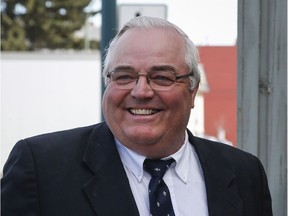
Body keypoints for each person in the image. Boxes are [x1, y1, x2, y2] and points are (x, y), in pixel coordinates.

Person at [1, 16, 273, 216]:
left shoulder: (244, 173)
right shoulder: (41, 169)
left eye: (162, 77)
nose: (141, 91)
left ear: (192, 91)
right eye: (124, 76)